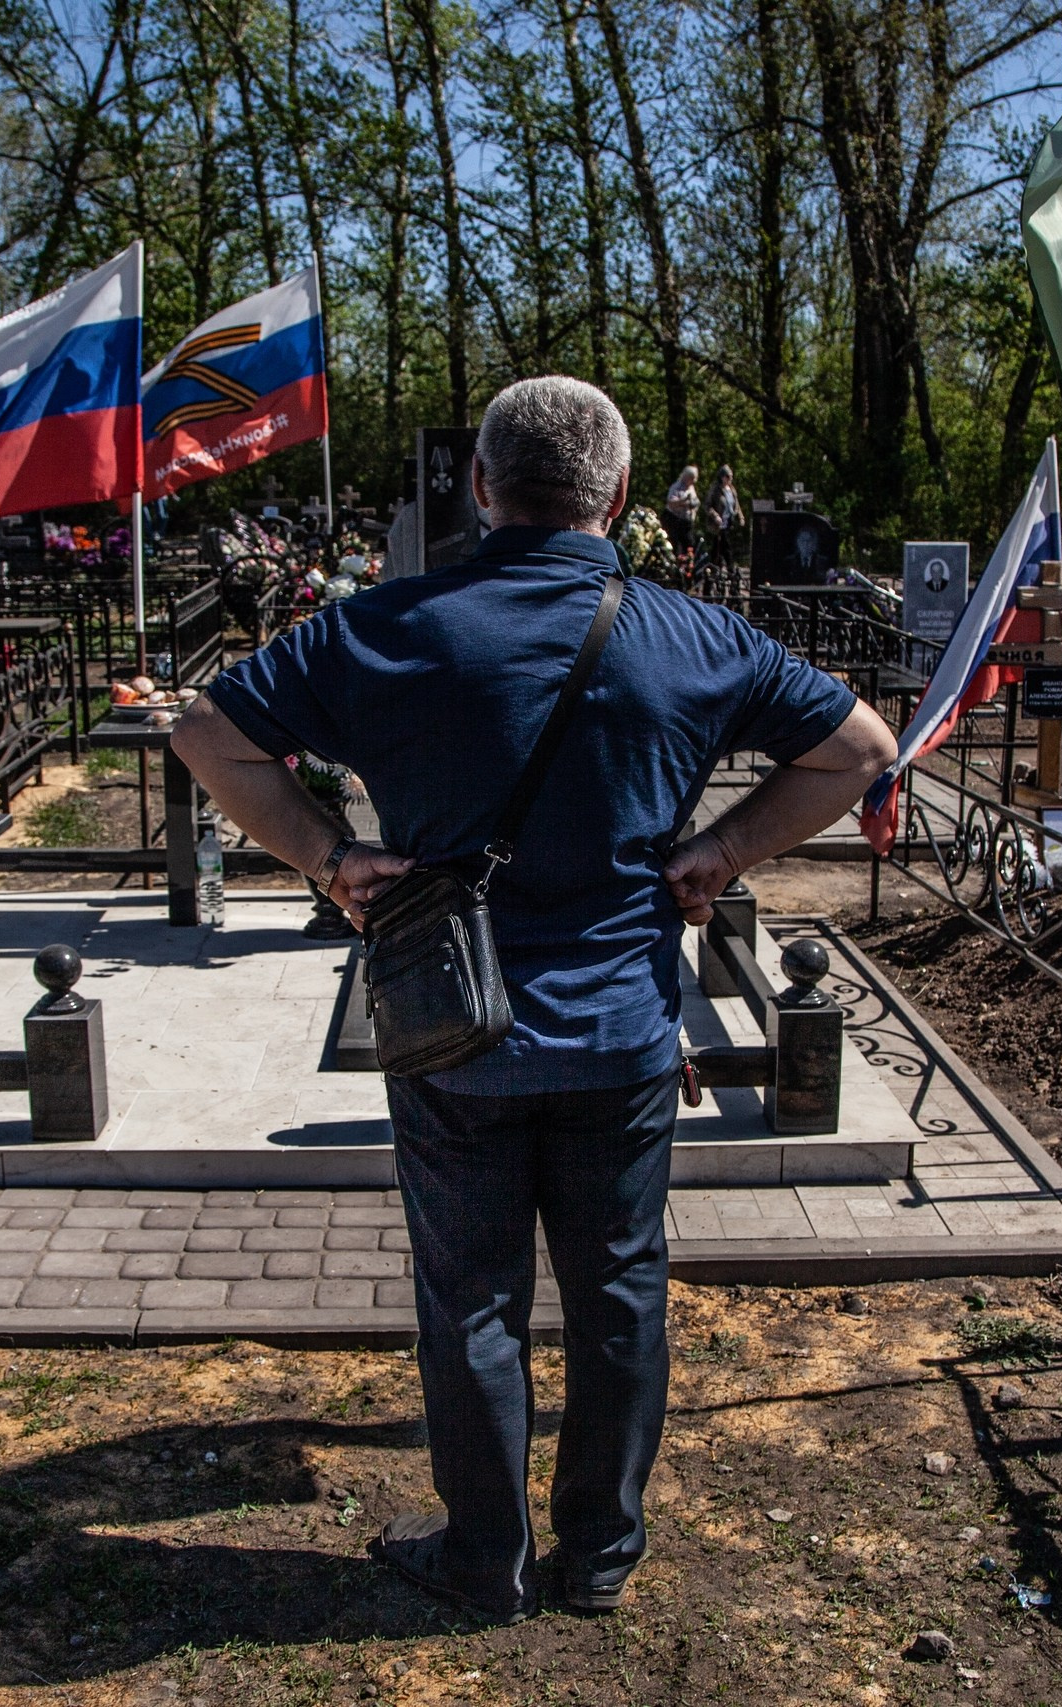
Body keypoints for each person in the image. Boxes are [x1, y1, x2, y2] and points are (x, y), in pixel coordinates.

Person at [173, 376, 893, 1623]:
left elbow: (206, 736)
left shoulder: (385, 625)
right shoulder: (692, 636)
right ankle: (600, 1555)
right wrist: (720, 854)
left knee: (470, 1302)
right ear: (617, 498)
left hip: (454, 1032)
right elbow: (860, 751)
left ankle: (482, 1559)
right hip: (620, 1030)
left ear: (480, 486)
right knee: (620, 1293)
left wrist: (330, 860)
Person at [660, 464, 699, 556]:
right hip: (673, 519)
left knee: (689, 545)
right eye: (691, 478)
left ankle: (687, 566)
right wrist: (683, 502)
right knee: (674, 545)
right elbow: (670, 502)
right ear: (686, 477)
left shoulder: (691, 488)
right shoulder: (676, 486)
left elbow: (696, 501)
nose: (693, 481)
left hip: (686, 522)